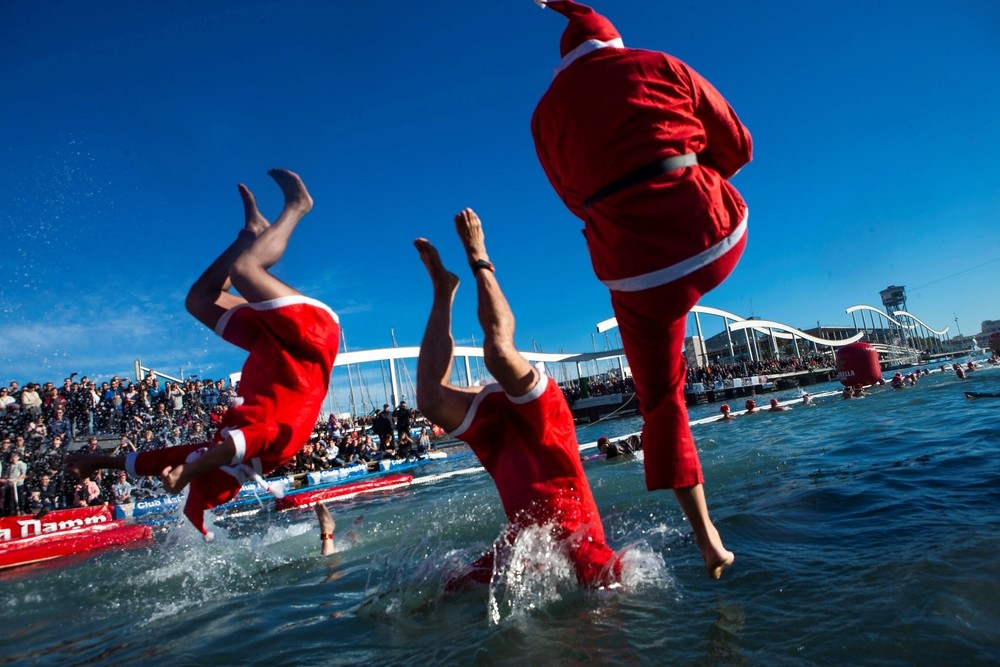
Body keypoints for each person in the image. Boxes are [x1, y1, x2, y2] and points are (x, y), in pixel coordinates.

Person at [530, 0, 746, 578]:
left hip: (636, 271)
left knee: (661, 400)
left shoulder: (543, 118)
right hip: (716, 234)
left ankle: (707, 538)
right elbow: (740, 145)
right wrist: (693, 169)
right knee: (712, 176)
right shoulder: (659, 64)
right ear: (614, 43)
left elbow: (572, 198)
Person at [65, 168, 341, 540]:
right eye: (201, 464)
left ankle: (250, 235)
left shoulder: (216, 452)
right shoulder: (273, 446)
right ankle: (296, 207)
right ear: (229, 469)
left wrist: (97, 461)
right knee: (246, 271)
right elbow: (234, 447)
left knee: (198, 300)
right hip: (310, 340)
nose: (196, 458)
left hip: (269, 344)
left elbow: (153, 460)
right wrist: (189, 473)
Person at [414, 208, 619, 587]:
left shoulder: (575, 560)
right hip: (543, 427)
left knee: (432, 398)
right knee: (494, 354)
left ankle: (452, 282)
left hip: (527, 498)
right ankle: (469, 266)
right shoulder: (591, 560)